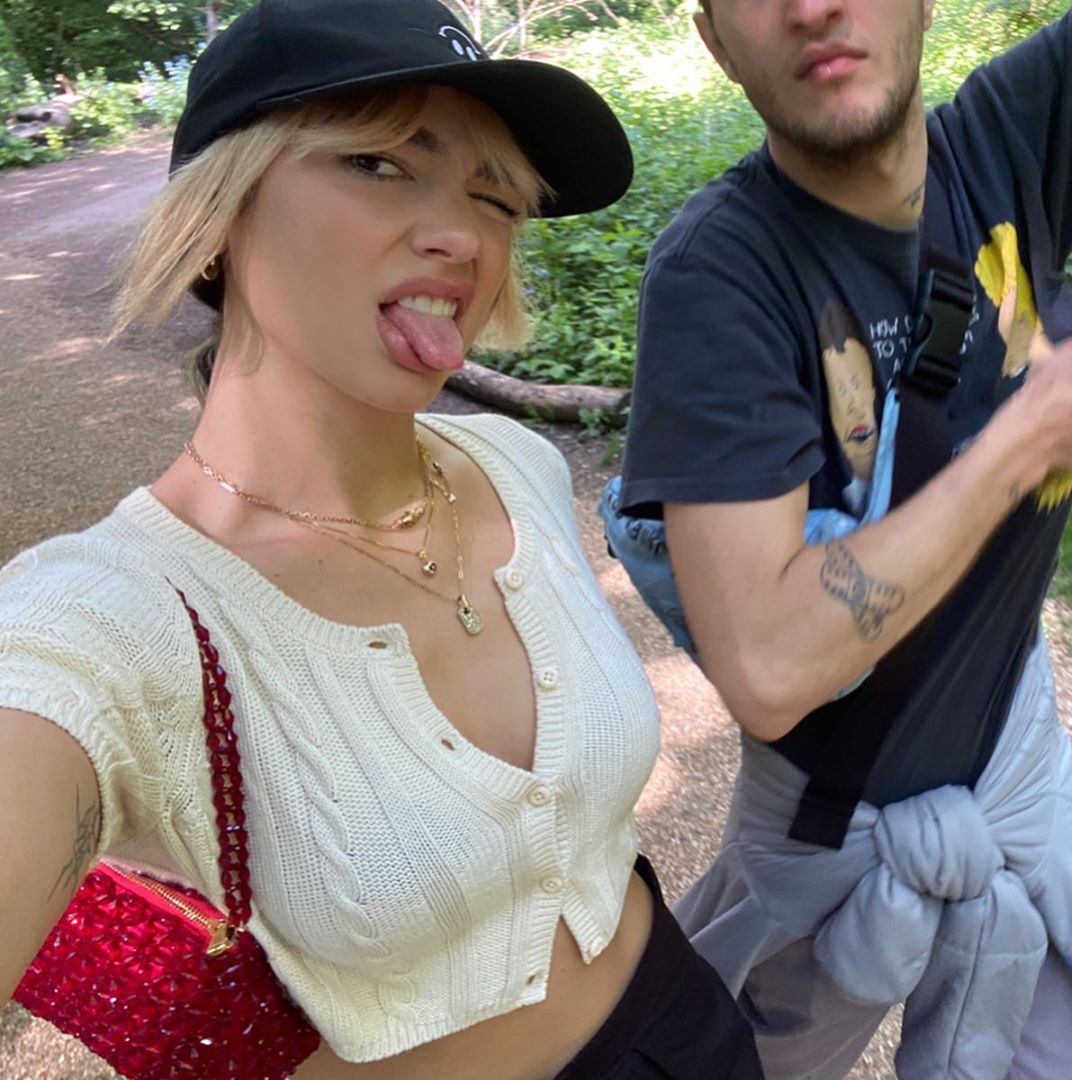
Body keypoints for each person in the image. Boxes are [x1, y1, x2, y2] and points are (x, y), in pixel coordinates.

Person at [0, 1, 765, 1077]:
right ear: (218, 215)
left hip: (690, 1023)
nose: (464, 235)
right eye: (380, 164)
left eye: (494, 196)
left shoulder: (519, 465)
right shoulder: (104, 623)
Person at [608, 0, 1072, 1077]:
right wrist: (1028, 440)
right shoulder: (720, 277)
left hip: (1020, 773)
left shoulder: (1011, 143)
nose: (812, 7)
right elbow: (768, 669)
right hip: (829, 830)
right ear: (715, 42)